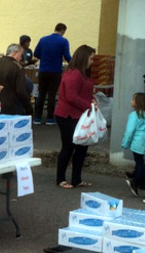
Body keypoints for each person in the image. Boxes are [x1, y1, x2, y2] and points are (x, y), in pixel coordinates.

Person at [54, 45, 96, 189]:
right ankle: (61, 178)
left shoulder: (81, 73)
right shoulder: (74, 74)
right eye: (91, 58)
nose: (93, 61)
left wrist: (92, 100)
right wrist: (88, 105)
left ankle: (76, 179)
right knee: (69, 146)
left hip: (79, 115)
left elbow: (82, 93)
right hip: (68, 115)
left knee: (82, 147)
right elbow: (71, 97)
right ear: (84, 58)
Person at [34, 23, 72, 125]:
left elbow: (36, 54)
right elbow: (67, 57)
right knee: (51, 95)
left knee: (41, 94)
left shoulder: (43, 39)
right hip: (55, 71)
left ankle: (37, 117)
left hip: (43, 70)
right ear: (63, 31)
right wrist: (74, 63)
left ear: (55, 29)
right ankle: (50, 118)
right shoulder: (63, 41)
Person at [0, 44, 32, 115]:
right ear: (15, 53)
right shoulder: (17, 67)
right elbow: (21, 91)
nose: (21, 58)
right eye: (21, 55)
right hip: (10, 107)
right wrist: (28, 109)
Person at [124, 93, 145, 197]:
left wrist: (125, 143)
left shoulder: (134, 115)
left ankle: (140, 180)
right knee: (141, 159)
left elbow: (130, 131)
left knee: (139, 161)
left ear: (137, 103)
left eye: (133, 99)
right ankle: (139, 178)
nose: (131, 101)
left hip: (137, 141)